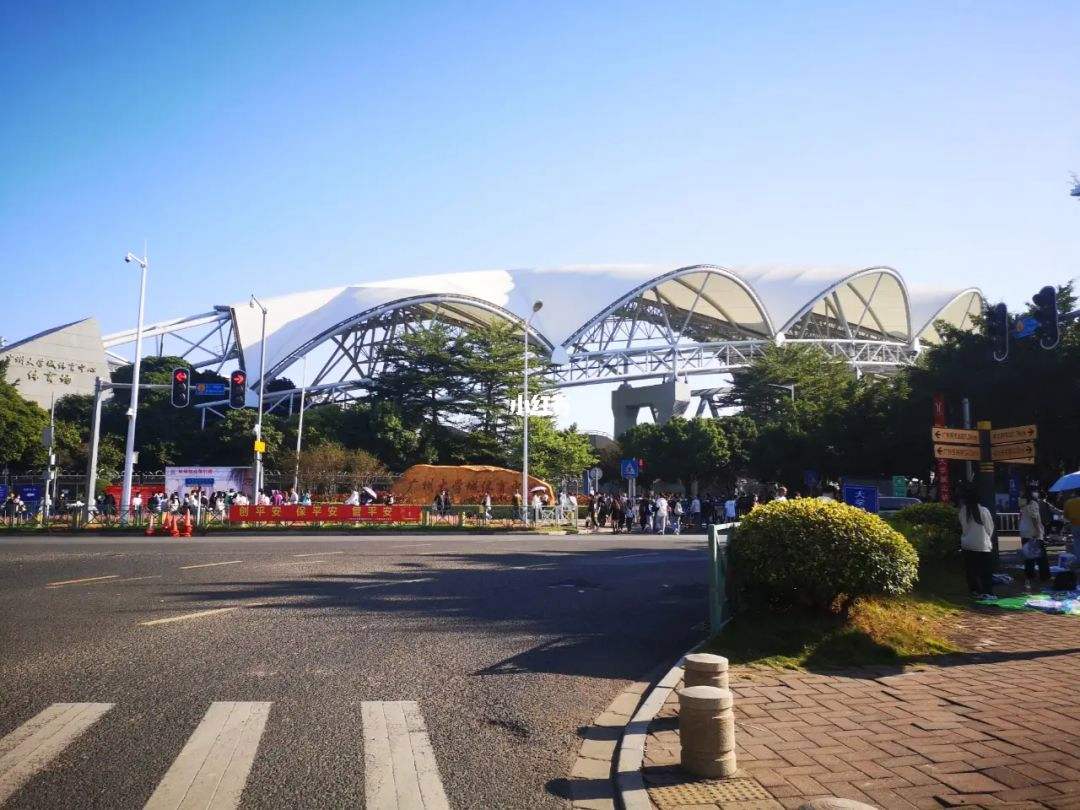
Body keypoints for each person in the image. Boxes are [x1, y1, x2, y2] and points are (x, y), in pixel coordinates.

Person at [959, 488, 995, 598]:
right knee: (985, 570)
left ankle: (974, 590)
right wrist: (988, 538)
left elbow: (963, 527)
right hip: (982, 544)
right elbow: (990, 528)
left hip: (967, 543)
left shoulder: (963, 511)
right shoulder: (983, 511)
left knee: (971, 570)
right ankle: (987, 591)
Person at [1019, 486, 1049, 590]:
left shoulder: (1022, 503)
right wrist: (1037, 531)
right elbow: (1034, 518)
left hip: (1024, 531)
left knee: (1029, 555)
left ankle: (1029, 575)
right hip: (1033, 533)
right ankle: (1045, 576)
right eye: (1036, 491)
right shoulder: (1033, 503)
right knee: (1041, 557)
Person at [1065, 489, 1080, 563]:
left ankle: (1078, 559)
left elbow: (1066, 516)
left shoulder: (1069, 502)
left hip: (1074, 525)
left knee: (1077, 543)